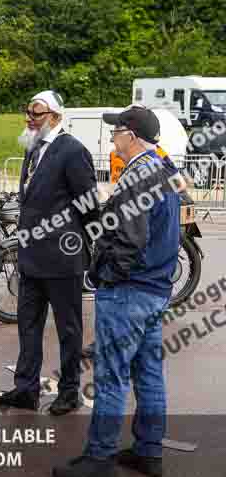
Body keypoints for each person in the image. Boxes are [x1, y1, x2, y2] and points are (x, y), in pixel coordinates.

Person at [53, 106, 182, 477]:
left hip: (128, 291)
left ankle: (99, 457)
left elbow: (130, 239)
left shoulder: (137, 175)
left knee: (111, 376)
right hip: (156, 288)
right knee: (149, 374)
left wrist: (106, 273)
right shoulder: (165, 170)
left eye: (116, 133)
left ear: (132, 136)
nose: (112, 139)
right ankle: (148, 450)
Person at [0, 91, 99, 416]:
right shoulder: (34, 148)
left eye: (35, 114)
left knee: (68, 329)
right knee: (28, 325)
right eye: (27, 112)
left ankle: (69, 391)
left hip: (62, 259)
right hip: (31, 256)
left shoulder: (73, 151)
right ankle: (26, 389)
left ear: (55, 116)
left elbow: (90, 206)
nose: (29, 118)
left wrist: (68, 237)